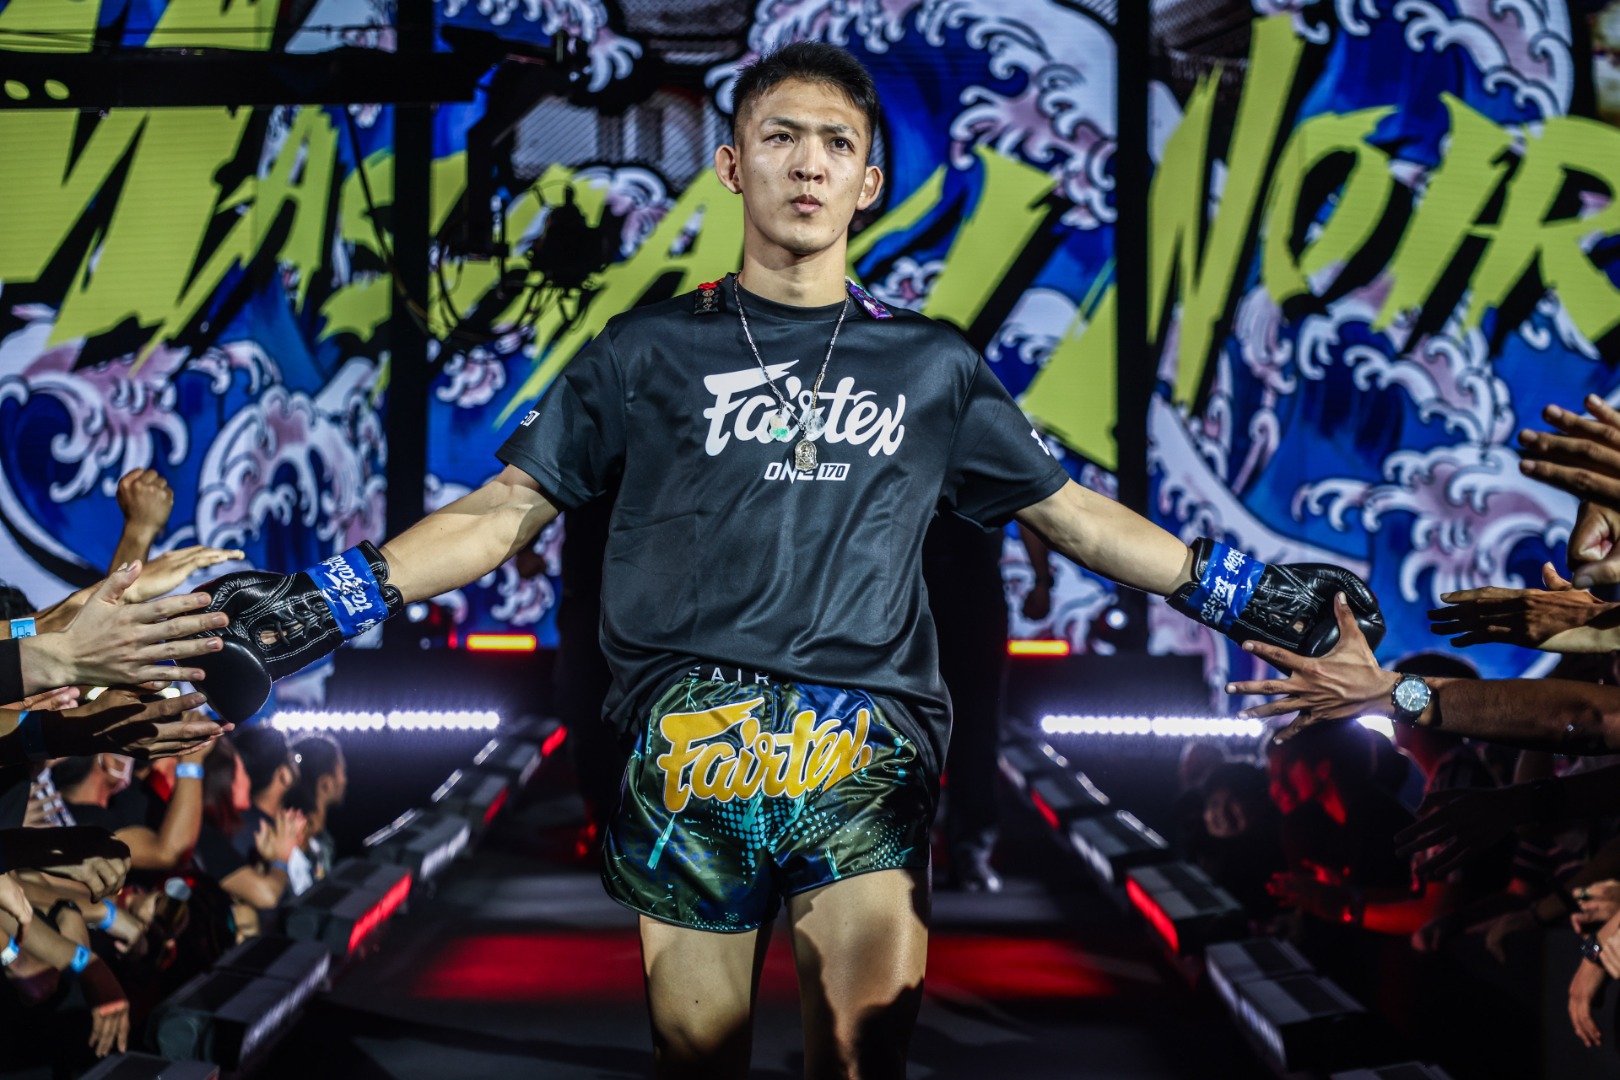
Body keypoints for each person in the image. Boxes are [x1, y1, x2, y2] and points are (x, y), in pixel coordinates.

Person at [190, 43, 1380, 1077]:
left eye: (836, 144)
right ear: (732, 165)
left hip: (864, 749)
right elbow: (505, 511)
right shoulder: (645, 352)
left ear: (869, 181)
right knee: (698, 1066)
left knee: (863, 1064)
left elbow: (1070, 513)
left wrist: (1253, 595)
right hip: (689, 756)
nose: (809, 164)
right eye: (780, 138)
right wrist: (324, 600)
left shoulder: (931, 366)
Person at [286, 733, 346, 885]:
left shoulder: (322, 840)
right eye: (342, 772)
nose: (344, 780)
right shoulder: (295, 841)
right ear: (326, 783)